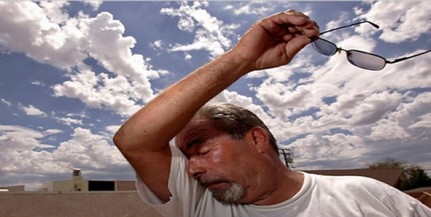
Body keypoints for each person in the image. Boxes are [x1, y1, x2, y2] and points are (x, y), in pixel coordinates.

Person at [113, 10, 431, 217]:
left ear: (256, 139)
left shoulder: (366, 196)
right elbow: (134, 141)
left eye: (203, 151)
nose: (192, 169)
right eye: (188, 157)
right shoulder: (197, 201)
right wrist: (242, 59)